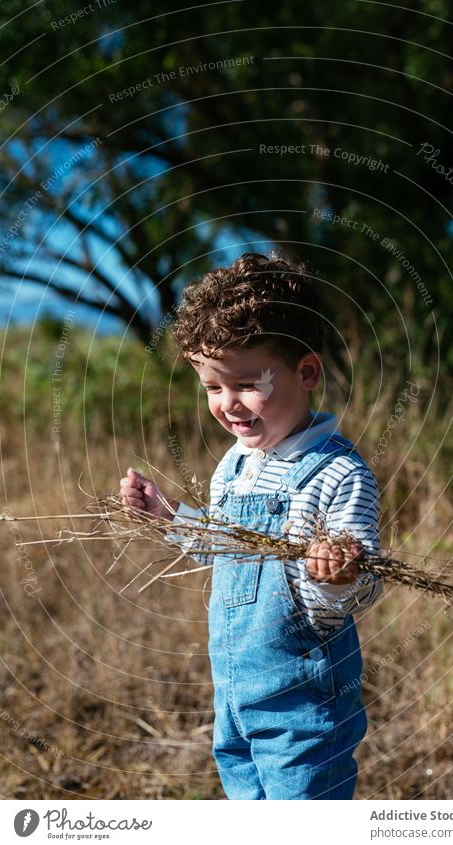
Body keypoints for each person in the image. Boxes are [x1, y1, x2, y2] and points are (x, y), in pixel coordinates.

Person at [120, 252, 383, 800]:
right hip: (234, 693)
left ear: (307, 372)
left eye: (244, 384)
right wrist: (168, 517)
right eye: (213, 388)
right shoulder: (234, 465)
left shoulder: (337, 474)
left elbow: (362, 588)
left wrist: (334, 577)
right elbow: (225, 550)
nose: (228, 405)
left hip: (304, 702)